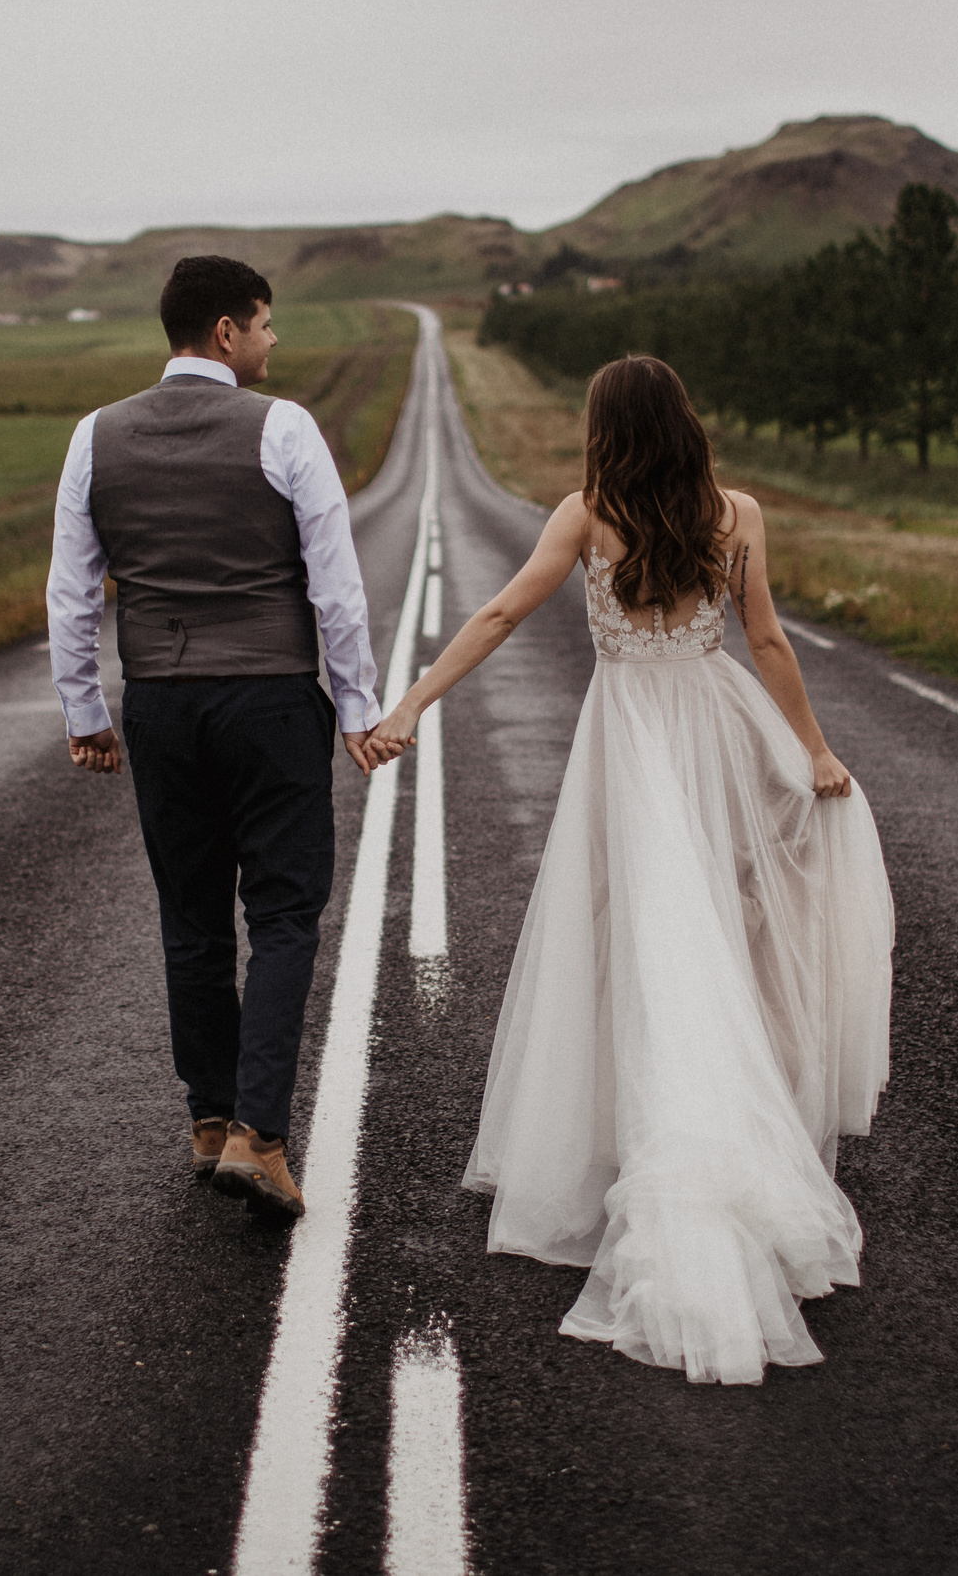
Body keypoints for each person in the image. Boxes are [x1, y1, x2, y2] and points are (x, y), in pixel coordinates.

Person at [371, 354, 893, 1384]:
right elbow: (768, 642)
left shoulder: (585, 511)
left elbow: (499, 614)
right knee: (707, 931)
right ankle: (695, 1122)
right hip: (710, 725)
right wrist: (814, 751)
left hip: (630, 740)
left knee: (641, 936)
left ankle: (676, 1148)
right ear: (685, 423)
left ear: (604, 427)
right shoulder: (734, 510)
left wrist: (410, 706)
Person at [46, 255, 390, 1219]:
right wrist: (356, 705)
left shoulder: (94, 435)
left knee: (191, 917)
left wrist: (86, 711)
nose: (274, 342)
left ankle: (209, 1121)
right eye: (266, 325)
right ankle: (260, 1137)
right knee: (282, 915)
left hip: (161, 703)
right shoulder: (283, 427)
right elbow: (335, 584)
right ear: (227, 333)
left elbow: (73, 590)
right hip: (271, 700)